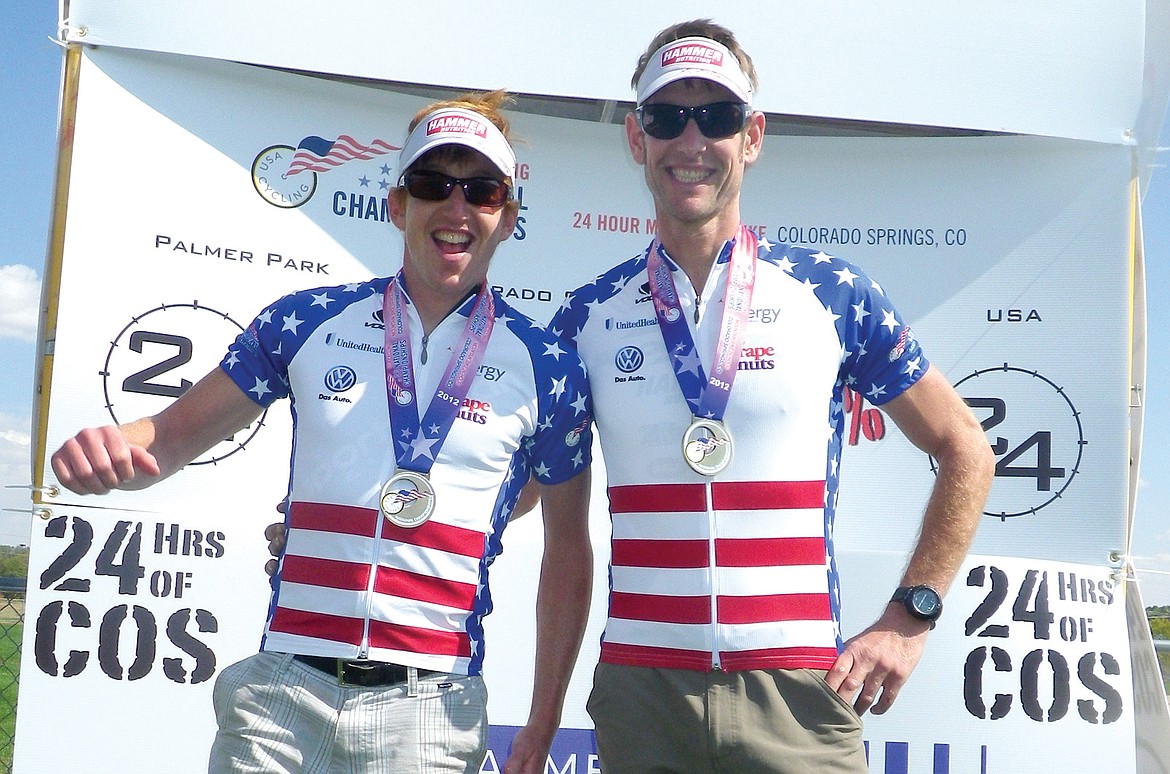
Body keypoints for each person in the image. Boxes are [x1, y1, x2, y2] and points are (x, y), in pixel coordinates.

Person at [50, 91, 594, 774]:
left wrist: (543, 722)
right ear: (398, 205)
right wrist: (109, 448)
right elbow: (168, 436)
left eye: (481, 190)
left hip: (432, 708)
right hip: (285, 691)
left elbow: (566, 549)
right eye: (432, 185)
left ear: (506, 216)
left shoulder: (548, 366)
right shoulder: (305, 321)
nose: (456, 210)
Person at [547, 20, 995, 773]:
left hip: (798, 691)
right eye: (666, 117)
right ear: (635, 139)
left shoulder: (832, 292)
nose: (691, 140)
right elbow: (525, 483)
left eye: (716, 117)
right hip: (642, 694)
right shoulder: (587, 315)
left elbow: (966, 450)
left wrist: (910, 615)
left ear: (751, 136)